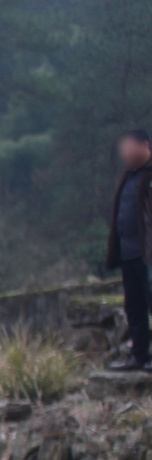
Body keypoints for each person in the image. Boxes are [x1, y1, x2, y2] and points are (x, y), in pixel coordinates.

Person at [107, 129, 152, 372]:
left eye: (128, 146)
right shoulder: (128, 177)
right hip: (129, 254)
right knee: (134, 307)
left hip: (149, 253)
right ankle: (139, 356)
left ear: (144, 145)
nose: (124, 152)